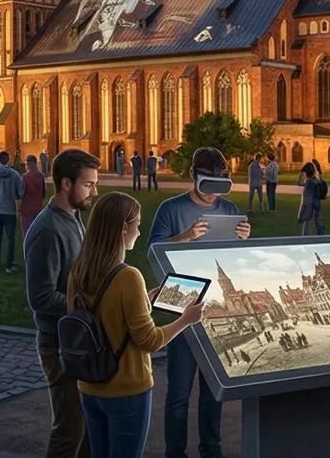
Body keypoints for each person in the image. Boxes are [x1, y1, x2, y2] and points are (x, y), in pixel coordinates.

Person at [72, 192, 205, 458]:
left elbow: (99, 315)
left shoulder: (79, 271)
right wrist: (186, 319)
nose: (140, 230)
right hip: (126, 388)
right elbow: (149, 341)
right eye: (137, 224)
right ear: (123, 227)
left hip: (89, 386)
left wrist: (143, 299)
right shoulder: (128, 277)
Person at [150, 147, 252, 458]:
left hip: (218, 306)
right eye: (209, 183)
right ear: (194, 176)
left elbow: (234, 260)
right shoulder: (171, 209)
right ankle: (175, 453)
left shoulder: (230, 207)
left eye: (221, 183)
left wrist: (245, 239)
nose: (214, 193)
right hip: (182, 305)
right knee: (179, 392)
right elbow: (153, 249)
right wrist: (186, 236)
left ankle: (211, 450)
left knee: (213, 390)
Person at [25, 149, 98, 458]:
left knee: (88, 424)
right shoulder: (47, 229)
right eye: (88, 184)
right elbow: (40, 297)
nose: (94, 191)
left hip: (77, 338)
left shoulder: (74, 217)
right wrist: (88, 307)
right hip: (59, 343)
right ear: (66, 184)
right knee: (69, 427)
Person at [0, 150, 26, 273]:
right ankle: (9, 266)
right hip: (9, 210)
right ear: (8, 159)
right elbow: (20, 193)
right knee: (10, 239)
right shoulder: (14, 175)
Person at [20, 155, 48, 242]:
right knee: (37, 235)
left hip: (26, 209)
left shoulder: (25, 177)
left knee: (27, 234)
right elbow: (43, 193)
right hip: (38, 208)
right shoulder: (41, 177)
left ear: (30, 163)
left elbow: (21, 194)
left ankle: (27, 254)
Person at [298, 162, 327, 236]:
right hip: (317, 201)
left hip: (310, 202)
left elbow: (298, 183)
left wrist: (300, 173)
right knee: (316, 218)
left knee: (306, 220)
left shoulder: (308, 181)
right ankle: (320, 230)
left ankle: (305, 235)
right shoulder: (316, 179)